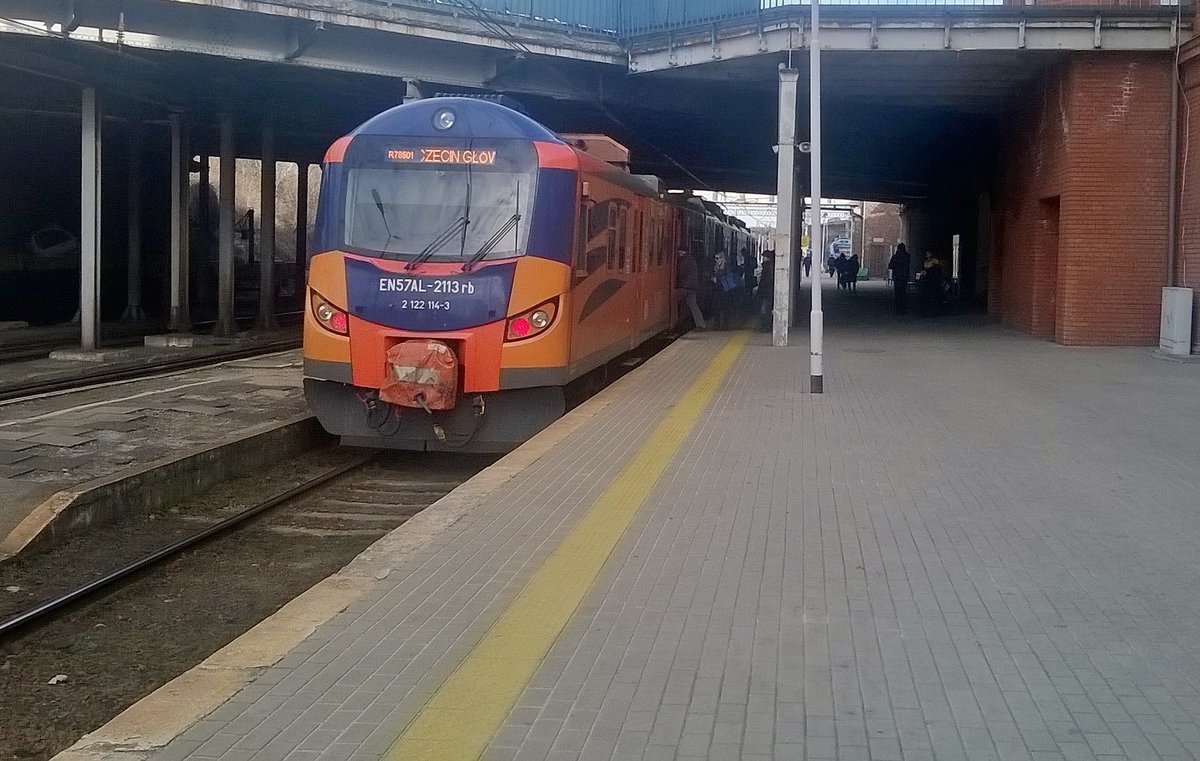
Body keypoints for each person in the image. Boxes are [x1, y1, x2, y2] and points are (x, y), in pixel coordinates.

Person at [676, 249, 707, 331]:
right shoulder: (691, 259)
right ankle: (701, 324)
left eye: (679, 252)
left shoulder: (685, 260)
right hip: (692, 287)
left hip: (685, 287)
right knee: (693, 305)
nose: (678, 254)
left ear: (682, 252)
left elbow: (679, 271)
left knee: (675, 301)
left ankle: (678, 322)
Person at [916, 251, 944, 317]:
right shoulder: (926, 262)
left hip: (931, 282)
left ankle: (930, 312)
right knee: (929, 297)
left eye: (928, 253)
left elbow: (936, 272)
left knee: (931, 297)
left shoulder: (934, 262)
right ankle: (929, 312)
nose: (926, 254)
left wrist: (926, 273)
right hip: (928, 282)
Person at [887, 243, 911, 314]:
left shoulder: (895, 257)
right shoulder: (907, 256)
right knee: (903, 293)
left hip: (897, 277)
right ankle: (903, 308)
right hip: (904, 277)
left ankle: (898, 309)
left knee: (897, 293)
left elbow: (890, 266)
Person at [756, 250, 775, 331]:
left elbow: (763, 281)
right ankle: (767, 326)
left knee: (764, 309)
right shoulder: (772, 267)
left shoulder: (766, 268)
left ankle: (765, 326)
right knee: (767, 309)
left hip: (766, 292)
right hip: (770, 291)